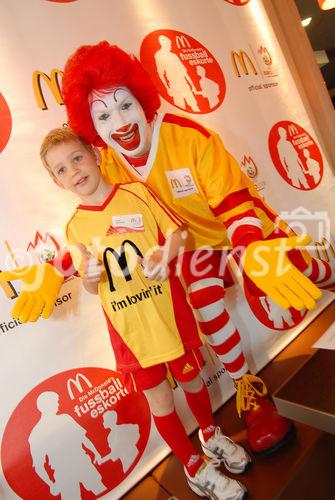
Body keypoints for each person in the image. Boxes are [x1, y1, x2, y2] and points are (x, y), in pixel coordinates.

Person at [40, 126, 250, 500]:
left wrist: (163, 253)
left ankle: (209, 435)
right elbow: (91, 285)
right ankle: (193, 467)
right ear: (56, 182)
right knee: (161, 401)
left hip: (170, 314)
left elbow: (180, 234)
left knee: (193, 381)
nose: (73, 171)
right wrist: (89, 277)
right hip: (131, 332)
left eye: (76, 158)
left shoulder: (137, 192)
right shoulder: (74, 227)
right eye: (60, 169)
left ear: (95, 153)